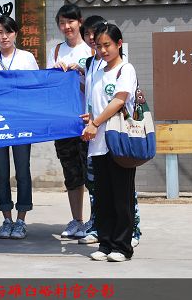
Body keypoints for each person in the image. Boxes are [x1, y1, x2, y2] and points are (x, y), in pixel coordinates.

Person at [71, 16, 143, 248]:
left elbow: (119, 101)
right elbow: (98, 103)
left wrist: (95, 123)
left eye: (107, 45)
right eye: (99, 45)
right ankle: (105, 244)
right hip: (98, 144)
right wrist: (90, 118)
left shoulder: (125, 69)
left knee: (122, 197)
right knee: (103, 197)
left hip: (119, 142)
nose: (102, 50)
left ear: (119, 44)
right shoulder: (98, 71)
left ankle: (123, 245)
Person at [0, 16, 39, 239]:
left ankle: (21, 220)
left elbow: (36, 86)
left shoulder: (26, 58)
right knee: (1, 172)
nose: (4, 36)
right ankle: (6, 219)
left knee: (23, 170)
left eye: (8, 32)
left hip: (21, 122)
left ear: (16, 33)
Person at [46, 4, 93, 238]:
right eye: (62, 23)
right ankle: (77, 220)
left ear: (80, 22)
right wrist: (56, 74)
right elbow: (48, 86)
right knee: (71, 172)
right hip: (64, 122)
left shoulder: (91, 50)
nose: (67, 27)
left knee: (92, 173)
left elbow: (98, 87)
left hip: (89, 122)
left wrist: (81, 73)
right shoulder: (56, 51)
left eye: (70, 22)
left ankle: (96, 220)